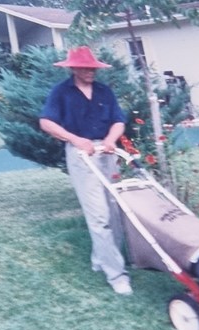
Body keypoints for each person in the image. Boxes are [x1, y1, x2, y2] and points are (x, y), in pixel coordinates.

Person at [39, 46, 132, 295]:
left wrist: (112, 140)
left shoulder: (104, 91)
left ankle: (101, 257)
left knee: (114, 212)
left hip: (107, 152)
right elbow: (46, 122)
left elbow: (118, 120)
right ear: (73, 68)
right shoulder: (61, 92)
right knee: (99, 216)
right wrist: (75, 139)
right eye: (84, 67)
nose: (90, 71)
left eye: (92, 67)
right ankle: (117, 275)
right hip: (81, 153)